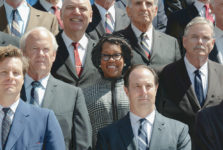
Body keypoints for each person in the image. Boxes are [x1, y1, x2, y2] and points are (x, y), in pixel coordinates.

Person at [19, 27, 92, 150]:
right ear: (23, 54)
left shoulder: (73, 95)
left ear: (54, 55)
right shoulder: (8, 91)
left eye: (46, 49)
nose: (41, 54)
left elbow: (83, 145)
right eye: (35, 49)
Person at [156, 17, 223, 148]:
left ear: (213, 43)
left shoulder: (222, 73)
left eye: (205, 38)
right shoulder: (164, 74)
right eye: (194, 37)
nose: (200, 42)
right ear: (184, 41)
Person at [96, 65, 191, 150]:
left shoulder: (179, 131)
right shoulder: (108, 136)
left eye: (148, 86)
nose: (143, 92)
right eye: (137, 86)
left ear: (156, 89)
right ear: (126, 91)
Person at [0, 45, 65, 150]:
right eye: (4, 72)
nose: (10, 77)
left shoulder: (45, 119)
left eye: (16, 73)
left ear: (23, 78)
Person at [83, 35, 132, 147]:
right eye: (105, 56)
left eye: (116, 55)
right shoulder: (86, 93)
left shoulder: (135, 90)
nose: (111, 60)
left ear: (124, 59)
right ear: (99, 60)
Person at [115, 0, 181, 73]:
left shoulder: (171, 43)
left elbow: (178, 78)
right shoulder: (116, 42)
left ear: (155, 10)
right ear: (128, 11)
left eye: (148, 4)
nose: (144, 8)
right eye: (138, 3)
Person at [51, 0, 100, 88]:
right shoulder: (49, 48)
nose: (77, 12)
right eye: (70, 7)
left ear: (91, 16)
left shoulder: (100, 50)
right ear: (61, 13)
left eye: (82, 8)